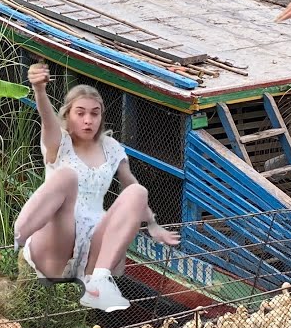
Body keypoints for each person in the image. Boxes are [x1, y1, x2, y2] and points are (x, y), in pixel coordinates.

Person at [13, 62, 181, 312]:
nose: (88, 120)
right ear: (68, 115)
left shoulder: (111, 148)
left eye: (94, 113)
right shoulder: (59, 144)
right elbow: (47, 122)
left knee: (138, 192)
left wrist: (152, 224)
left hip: (93, 242)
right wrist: (39, 90)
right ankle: (19, 234)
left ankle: (99, 282)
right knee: (66, 177)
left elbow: (131, 185)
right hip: (57, 241)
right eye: (80, 113)